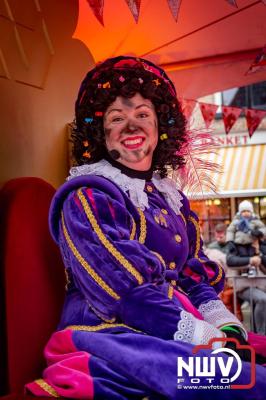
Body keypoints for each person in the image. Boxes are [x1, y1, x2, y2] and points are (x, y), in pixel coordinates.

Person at [26, 56, 266, 399]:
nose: (131, 126)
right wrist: (201, 335)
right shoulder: (88, 196)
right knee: (240, 382)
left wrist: (221, 320)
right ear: (101, 132)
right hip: (113, 336)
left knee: (253, 362)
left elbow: (191, 273)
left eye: (142, 115)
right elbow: (123, 292)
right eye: (117, 118)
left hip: (175, 328)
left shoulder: (169, 198)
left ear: (158, 127)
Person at [227, 228, 266, 335]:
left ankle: (256, 333)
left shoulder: (262, 247)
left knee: (258, 304)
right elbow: (230, 260)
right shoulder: (239, 246)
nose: (254, 241)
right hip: (244, 286)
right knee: (262, 299)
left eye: (256, 239)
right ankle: (262, 335)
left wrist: (259, 254)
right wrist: (250, 260)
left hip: (261, 285)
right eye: (252, 238)